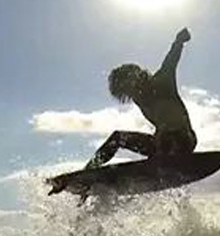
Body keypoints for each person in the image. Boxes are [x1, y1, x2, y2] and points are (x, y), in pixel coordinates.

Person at [84, 27, 198, 170]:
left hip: (184, 139)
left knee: (166, 134)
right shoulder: (138, 98)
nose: (133, 95)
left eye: (130, 89)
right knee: (118, 137)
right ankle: (89, 170)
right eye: (127, 92)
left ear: (136, 80)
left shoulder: (163, 79)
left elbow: (171, 59)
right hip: (160, 144)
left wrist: (179, 40)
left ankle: (164, 158)